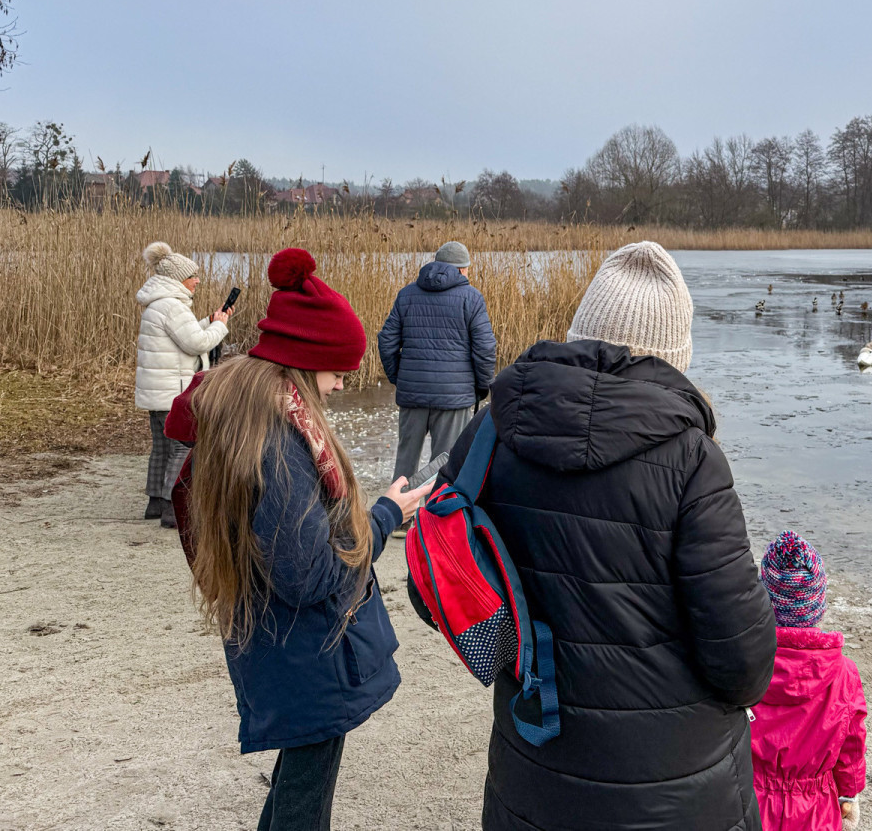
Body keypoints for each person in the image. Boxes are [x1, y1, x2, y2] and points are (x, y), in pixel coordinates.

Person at [412, 240, 777, 831]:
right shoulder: (693, 461)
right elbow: (743, 665)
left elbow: (432, 585)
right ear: (673, 358)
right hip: (675, 790)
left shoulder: (491, 432)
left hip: (536, 771)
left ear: (579, 333)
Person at [182, 248, 432, 830]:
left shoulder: (247, 411)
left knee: (298, 785)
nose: (342, 385)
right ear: (305, 360)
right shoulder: (278, 441)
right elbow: (310, 573)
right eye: (338, 371)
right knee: (304, 800)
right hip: (303, 649)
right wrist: (386, 515)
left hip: (277, 639)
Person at [750, 532, 868, 831]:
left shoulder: (742, 664)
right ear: (818, 604)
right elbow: (852, 741)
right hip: (815, 807)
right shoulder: (843, 673)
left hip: (746, 800)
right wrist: (849, 793)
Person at [377, 240, 496, 490]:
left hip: (413, 394)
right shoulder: (472, 298)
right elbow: (485, 348)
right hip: (454, 396)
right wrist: (482, 387)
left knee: (405, 463)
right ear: (462, 269)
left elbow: (387, 340)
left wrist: (401, 378)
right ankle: (434, 512)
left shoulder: (407, 294)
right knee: (445, 465)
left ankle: (396, 510)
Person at [135, 241, 230, 527]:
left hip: (158, 392)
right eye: (193, 276)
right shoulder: (173, 306)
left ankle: (155, 502)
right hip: (173, 393)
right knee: (181, 448)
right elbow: (197, 343)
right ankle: (171, 508)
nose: (198, 280)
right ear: (178, 279)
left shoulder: (160, 303)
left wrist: (209, 320)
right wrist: (221, 325)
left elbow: (182, 336)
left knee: (161, 448)